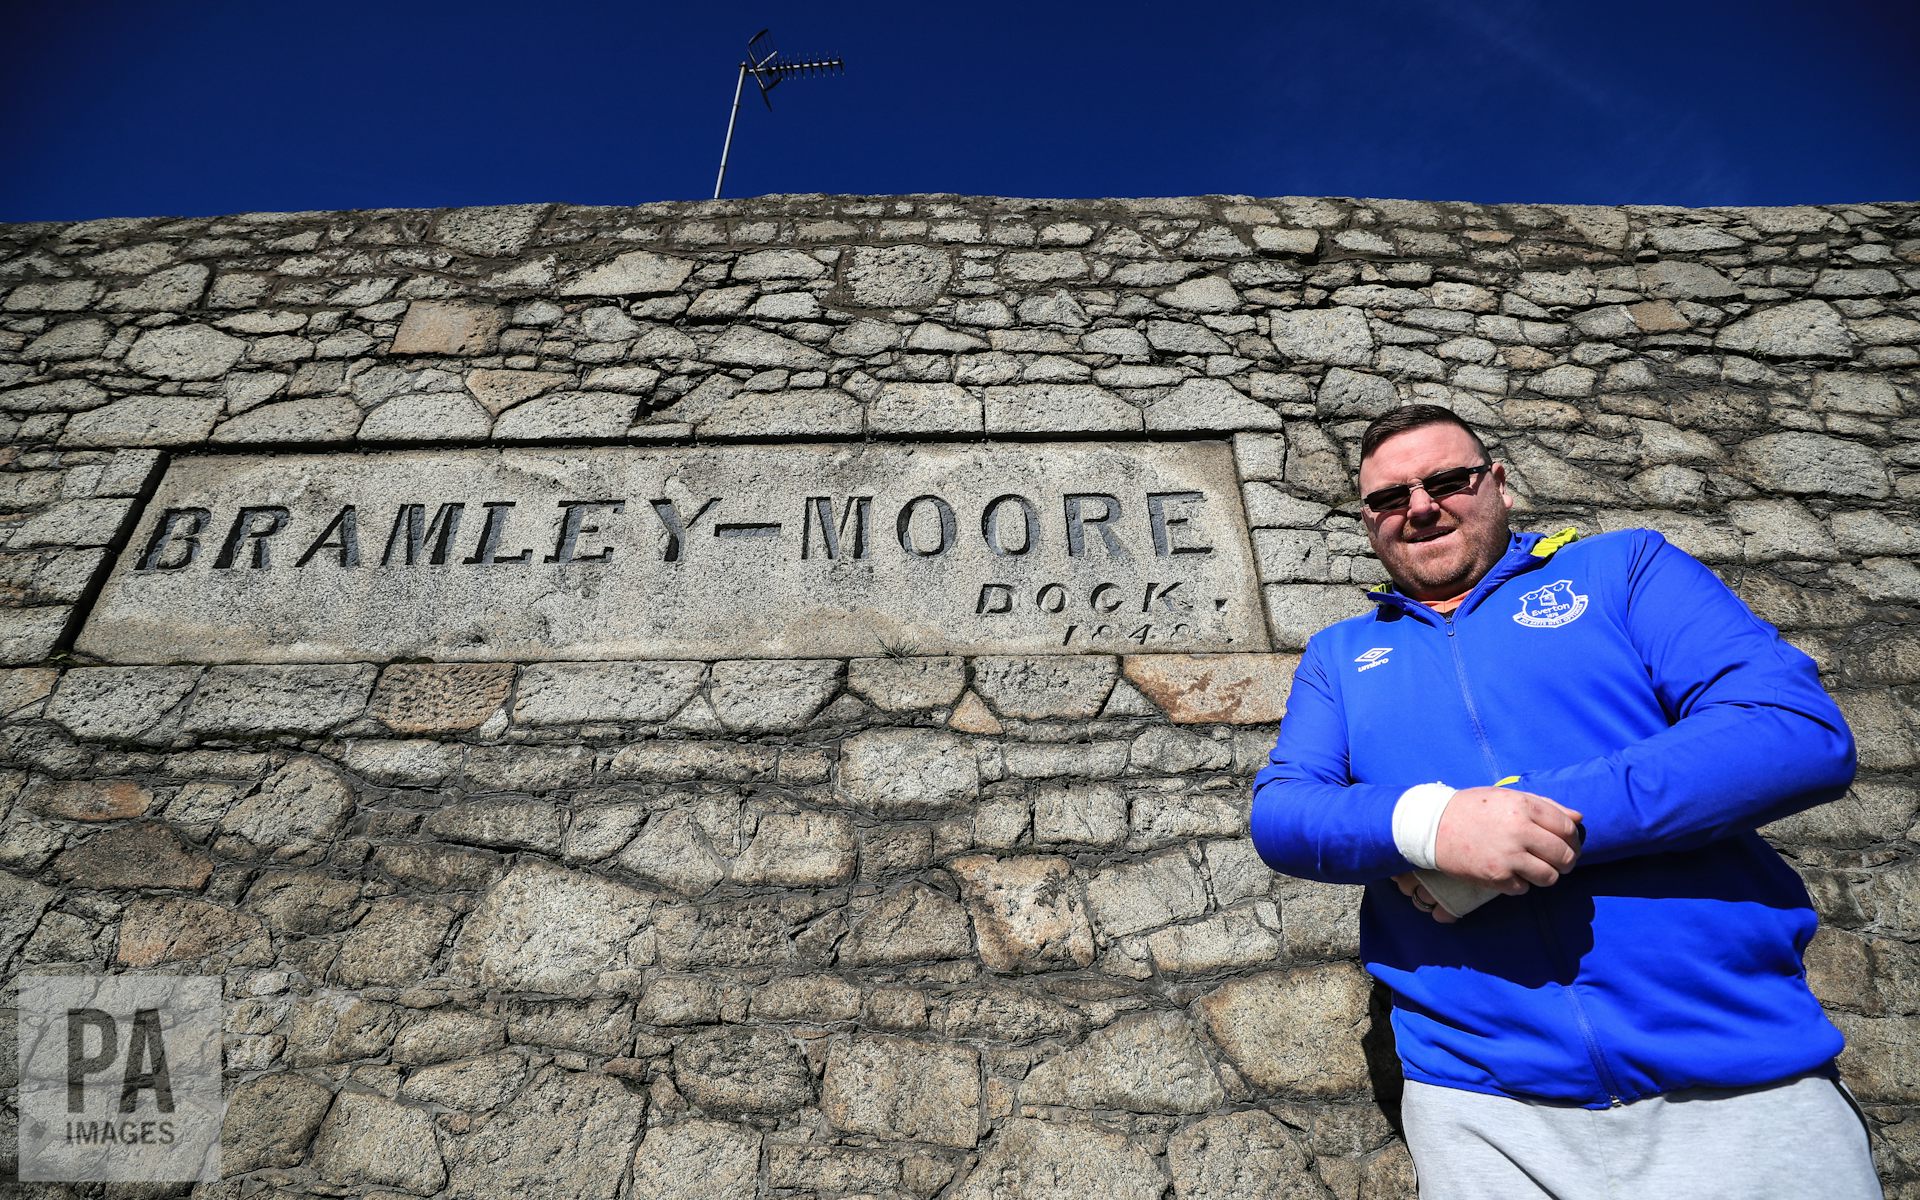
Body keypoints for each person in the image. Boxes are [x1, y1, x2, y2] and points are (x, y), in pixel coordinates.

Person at [1250, 404, 1880, 1199]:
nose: (1421, 507)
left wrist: (1522, 818)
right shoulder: (1340, 655)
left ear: (1499, 483)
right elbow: (1283, 811)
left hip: (1739, 1079)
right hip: (1480, 1110)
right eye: (1389, 498)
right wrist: (1432, 827)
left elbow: (1791, 731)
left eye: (1448, 481)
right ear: (1369, 520)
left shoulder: (1624, 570)